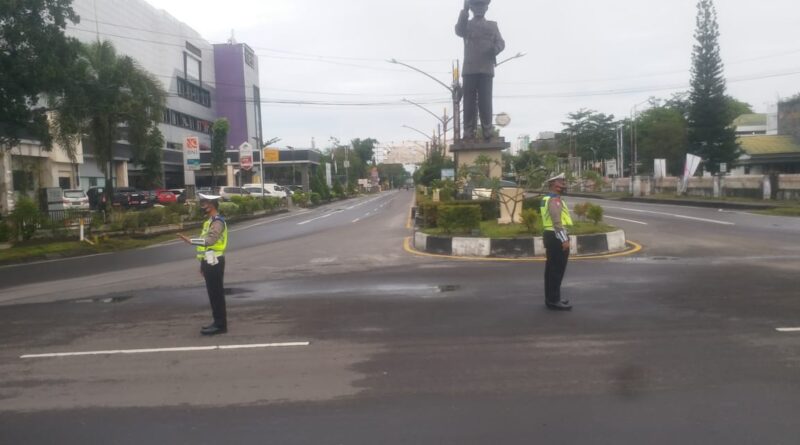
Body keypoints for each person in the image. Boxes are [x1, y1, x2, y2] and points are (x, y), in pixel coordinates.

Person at [178, 193, 229, 335]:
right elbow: (204, 247)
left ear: (212, 205)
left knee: (216, 294)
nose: (203, 206)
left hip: (215, 261)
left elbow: (210, 241)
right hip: (209, 261)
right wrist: (202, 264)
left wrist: (191, 241)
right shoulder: (209, 222)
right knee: (213, 294)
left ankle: (220, 325)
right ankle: (217, 322)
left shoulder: (217, 222)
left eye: (205, 204)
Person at [455, 0, 505, 141]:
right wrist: (464, 11)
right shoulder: (467, 25)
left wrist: (495, 49)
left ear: (486, 8)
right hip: (470, 69)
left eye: (482, 6)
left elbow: (501, 42)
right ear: (471, 8)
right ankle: (468, 132)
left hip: (486, 69)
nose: (479, 8)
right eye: (476, 6)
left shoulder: (492, 25)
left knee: (486, 102)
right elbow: (458, 30)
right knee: (469, 103)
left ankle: (487, 131)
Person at [540, 174, 574, 311]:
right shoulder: (554, 200)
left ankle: (552, 298)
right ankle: (554, 300)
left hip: (549, 235)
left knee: (550, 269)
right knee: (556, 270)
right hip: (556, 236)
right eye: (561, 181)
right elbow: (557, 222)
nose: (564, 183)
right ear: (554, 184)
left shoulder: (546, 198)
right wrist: (564, 239)